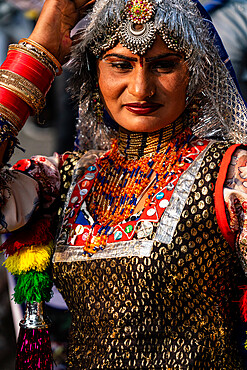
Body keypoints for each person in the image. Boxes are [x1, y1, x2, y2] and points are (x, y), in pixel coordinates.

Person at [0, 0, 247, 368]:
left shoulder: (231, 175)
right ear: (93, 74)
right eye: (120, 65)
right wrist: (41, 51)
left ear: (195, 72)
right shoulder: (60, 181)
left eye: (164, 65)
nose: (141, 88)